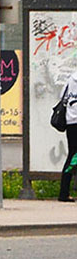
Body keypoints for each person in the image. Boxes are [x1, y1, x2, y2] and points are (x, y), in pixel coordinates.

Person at [60, 69, 77, 202]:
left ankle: (64, 192)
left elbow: (63, 97)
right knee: (74, 157)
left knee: (72, 155)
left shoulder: (71, 79)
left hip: (71, 122)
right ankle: (64, 193)